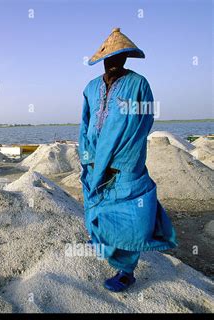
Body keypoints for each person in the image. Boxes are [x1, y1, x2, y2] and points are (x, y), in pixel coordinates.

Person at [78, 28, 177, 292]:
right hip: (94, 161)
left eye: (119, 57)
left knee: (131, 214)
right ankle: (100, 242)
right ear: (102, 59)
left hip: (125, 162)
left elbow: (144, 121)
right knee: (96, 205)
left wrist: (125, 156)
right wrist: (87, 155)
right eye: (109, 58)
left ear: (125, 58)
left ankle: (126, 270)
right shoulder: (90, 88)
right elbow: (86, 122)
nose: (114, 62)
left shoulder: (138, 84)